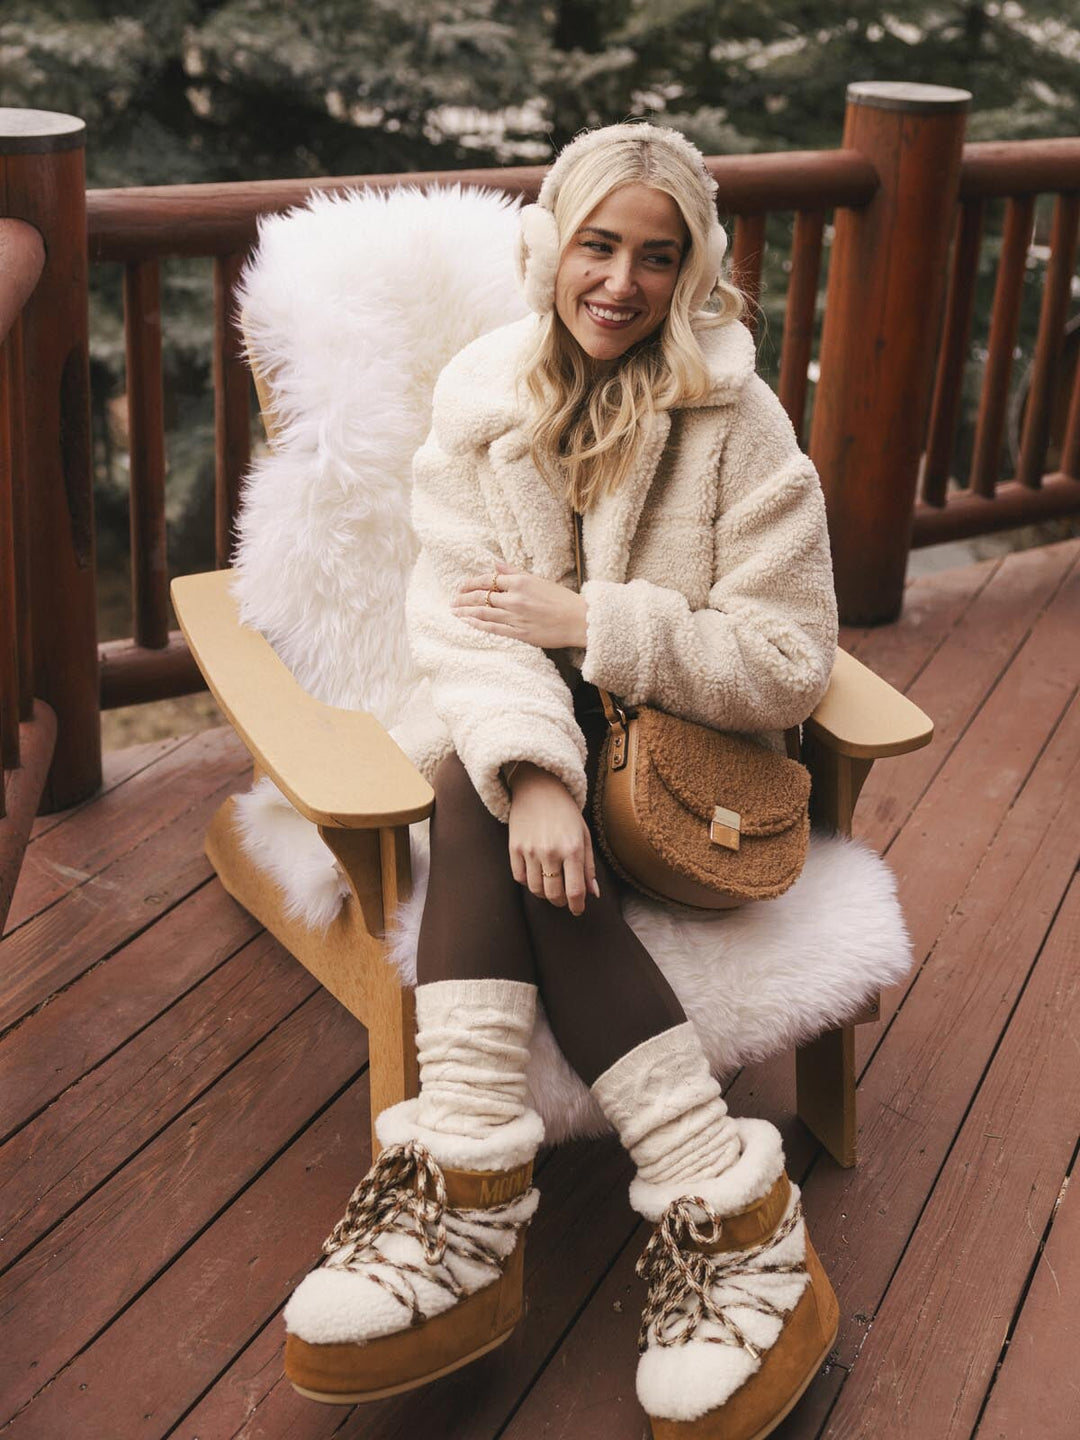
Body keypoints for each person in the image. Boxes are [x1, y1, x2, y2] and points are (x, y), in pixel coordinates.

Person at [281, 122, 840, 1440]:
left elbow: (787, 661)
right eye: (598, 244)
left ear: (693, 270)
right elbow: (463, 629)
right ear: (551, 246)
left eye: (658, 256)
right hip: (537, 762)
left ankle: (466, 1208)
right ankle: (712, 1203)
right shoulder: (484, 403)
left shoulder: (741, 423)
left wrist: (593, 623)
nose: (621, 283)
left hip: (685, 787)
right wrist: (536, 771)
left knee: (478, 789)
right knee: (477, 778)